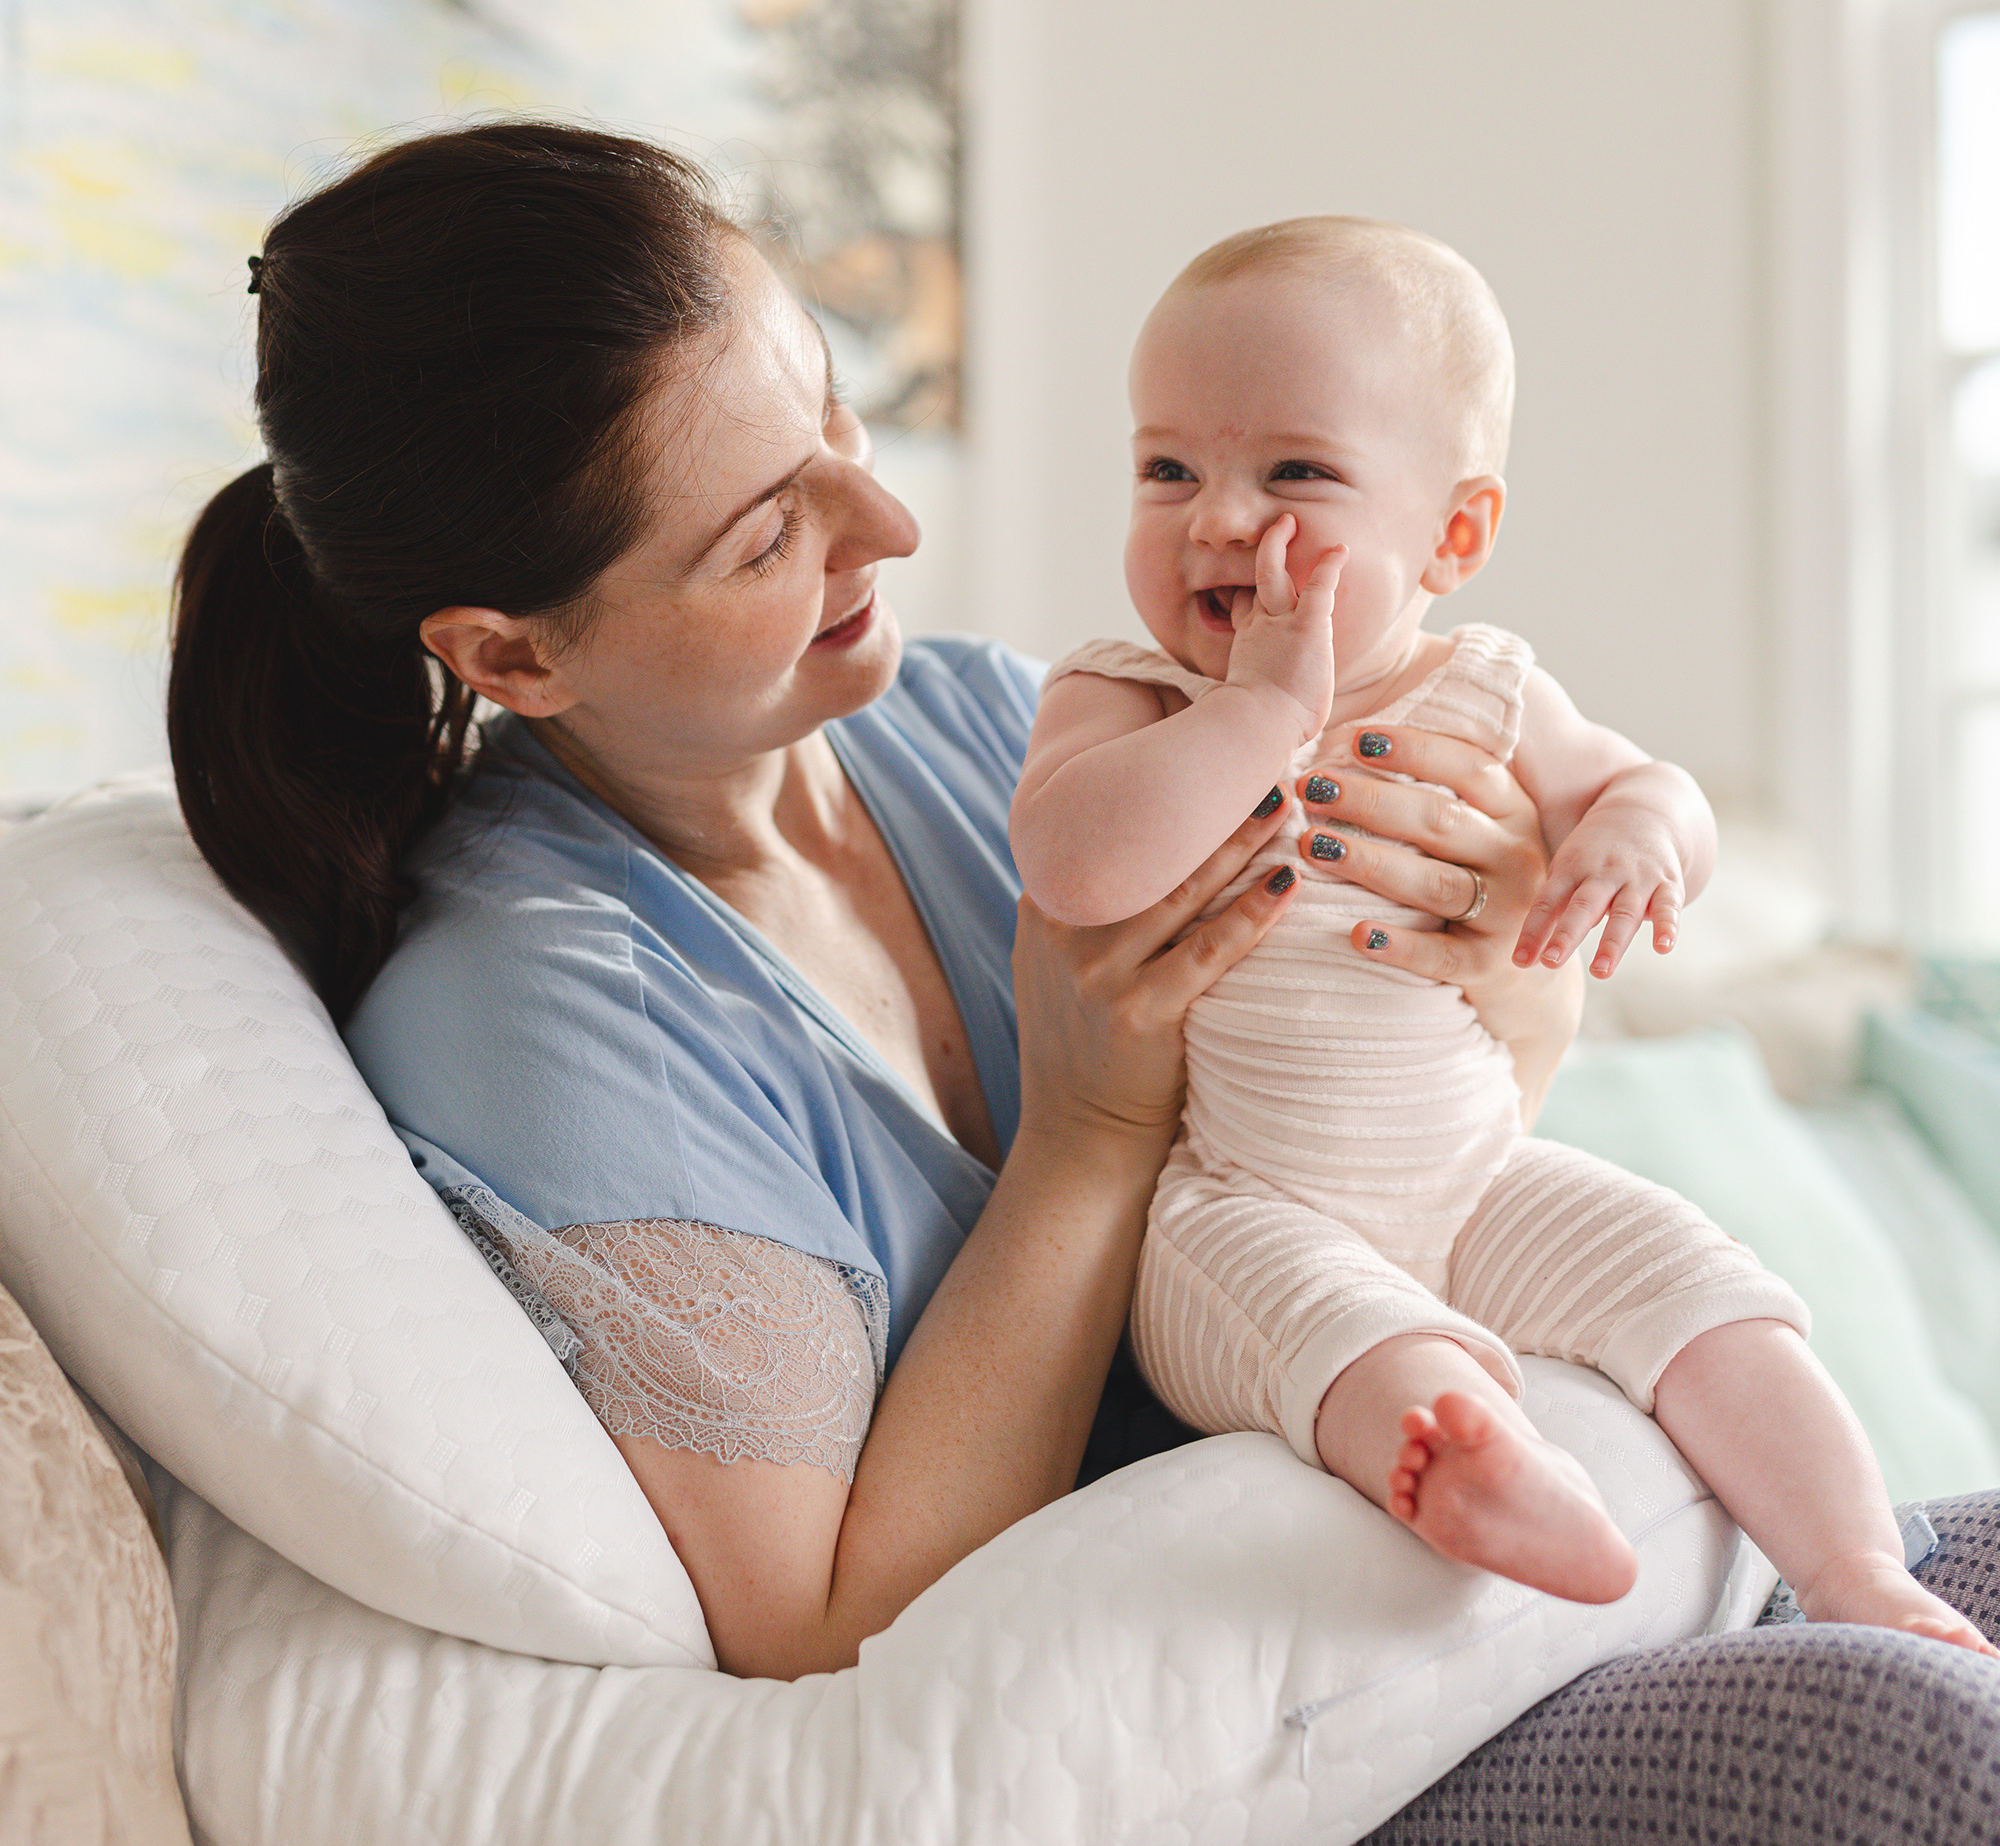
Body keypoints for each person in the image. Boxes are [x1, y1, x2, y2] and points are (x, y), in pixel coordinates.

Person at [165, 122, 2000, 1832]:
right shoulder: (549, 1016)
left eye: (838, 414)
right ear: (514, 650)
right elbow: (825, 1622)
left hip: (1496, 1578)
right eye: (765, 533)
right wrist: (1094, 1127)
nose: (885, 529)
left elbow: (1395, 1144)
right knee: (1930, 1758)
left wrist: (1517, 956)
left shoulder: (966, 711)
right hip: (1288, 1744)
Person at [1007, 215, 1995, 1657]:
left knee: (1703, 1288)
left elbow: (1643, 786)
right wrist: (1263, 713)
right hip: (1239, 1198)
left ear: (1454, 534)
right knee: (1333, 1331)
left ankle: (1858, 1570)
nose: (1219, 520)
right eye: (1169, 469)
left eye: (1293, 473)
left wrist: (1638, 831)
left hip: (1477, 1175)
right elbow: (1074, 864)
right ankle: (1478, 1473)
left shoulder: (1486, 689)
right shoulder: (1129, 695)